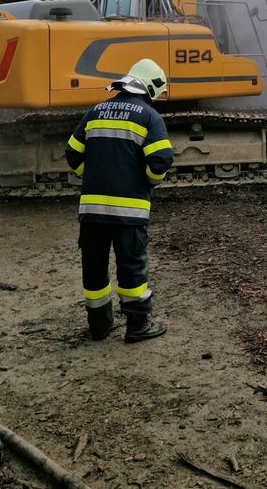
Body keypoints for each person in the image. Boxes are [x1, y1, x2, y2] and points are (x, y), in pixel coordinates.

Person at [65, 58, 174, 343]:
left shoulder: (95, 111)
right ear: (150, 88)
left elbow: (73, 153)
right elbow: (161, 160)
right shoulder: (149, 116)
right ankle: (137, 327)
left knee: (94, 267)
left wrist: (95, 175)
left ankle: (99, 327)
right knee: (131, 267)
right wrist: (147, 181)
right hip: (129, 212)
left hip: (91, 212)